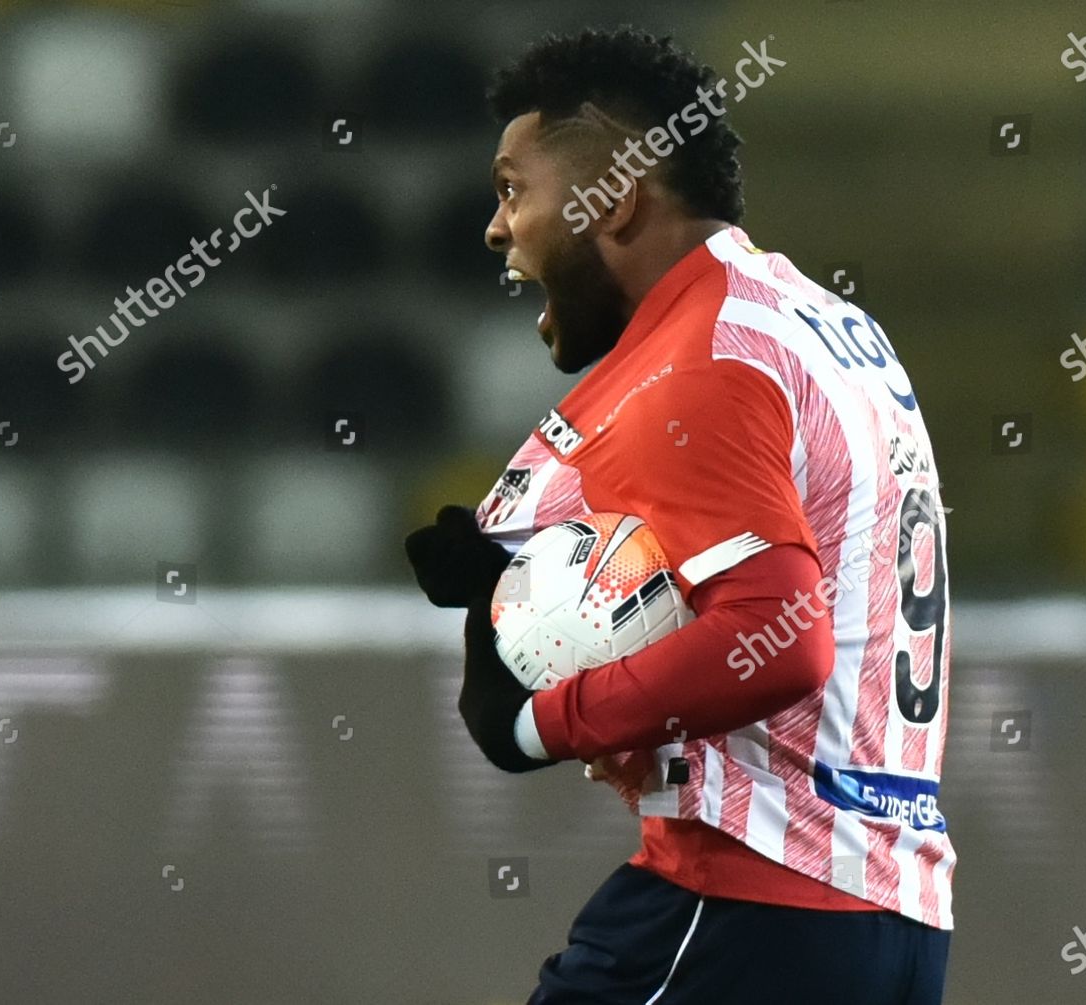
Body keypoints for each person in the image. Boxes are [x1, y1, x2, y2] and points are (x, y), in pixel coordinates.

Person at [405, 27, 954, 1004]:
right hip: (889, 919)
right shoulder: (816, 322)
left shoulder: (701, 362)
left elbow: (777, 639)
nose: (497, 229)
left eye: (511, 189)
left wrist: (536, 724)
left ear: (610, 201)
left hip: (750, 906)